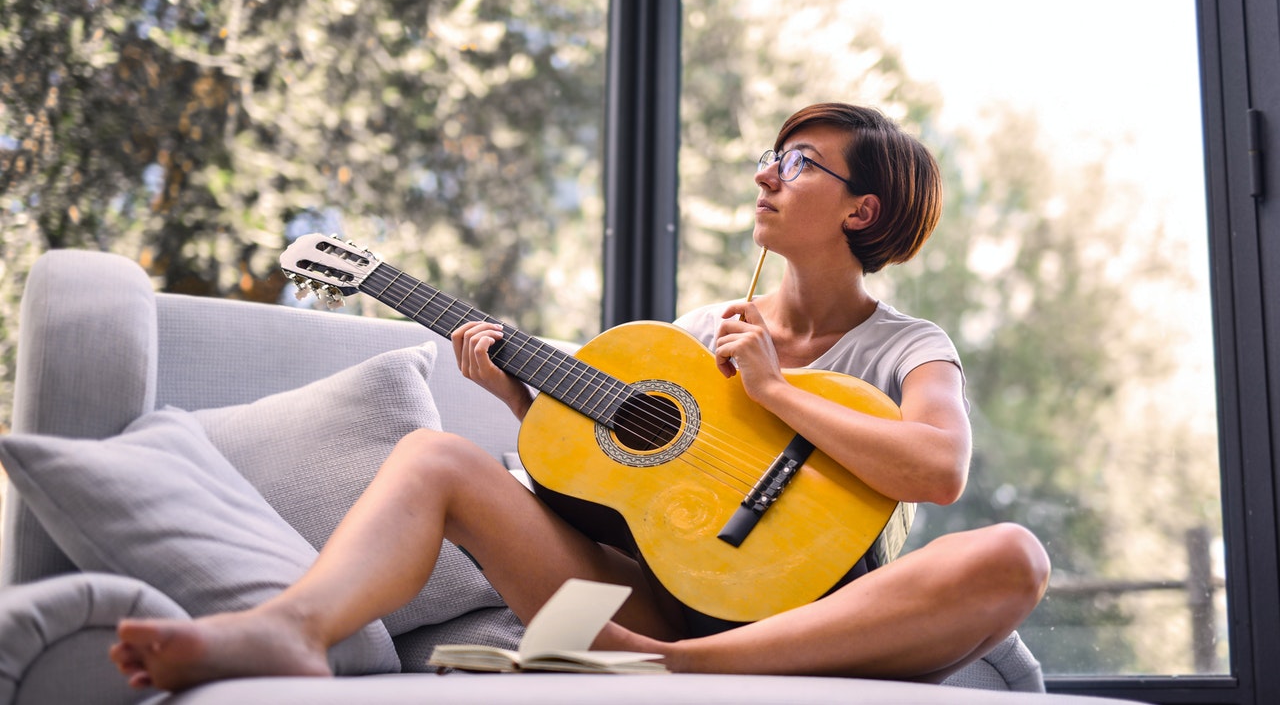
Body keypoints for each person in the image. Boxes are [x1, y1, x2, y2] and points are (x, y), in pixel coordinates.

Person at [110, 102, 1050, 690]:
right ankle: (290, 630)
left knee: (1014, 556)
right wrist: (522, 406)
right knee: (435, 457)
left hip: (819, 616)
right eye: (772, 155)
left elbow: (938, 470)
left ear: (862, 210)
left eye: (800, 162)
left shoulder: (908, 346)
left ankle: (683, 671)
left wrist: (776, 390)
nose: (767, 173)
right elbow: (643, 500)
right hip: (657, 603)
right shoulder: (697, 333)